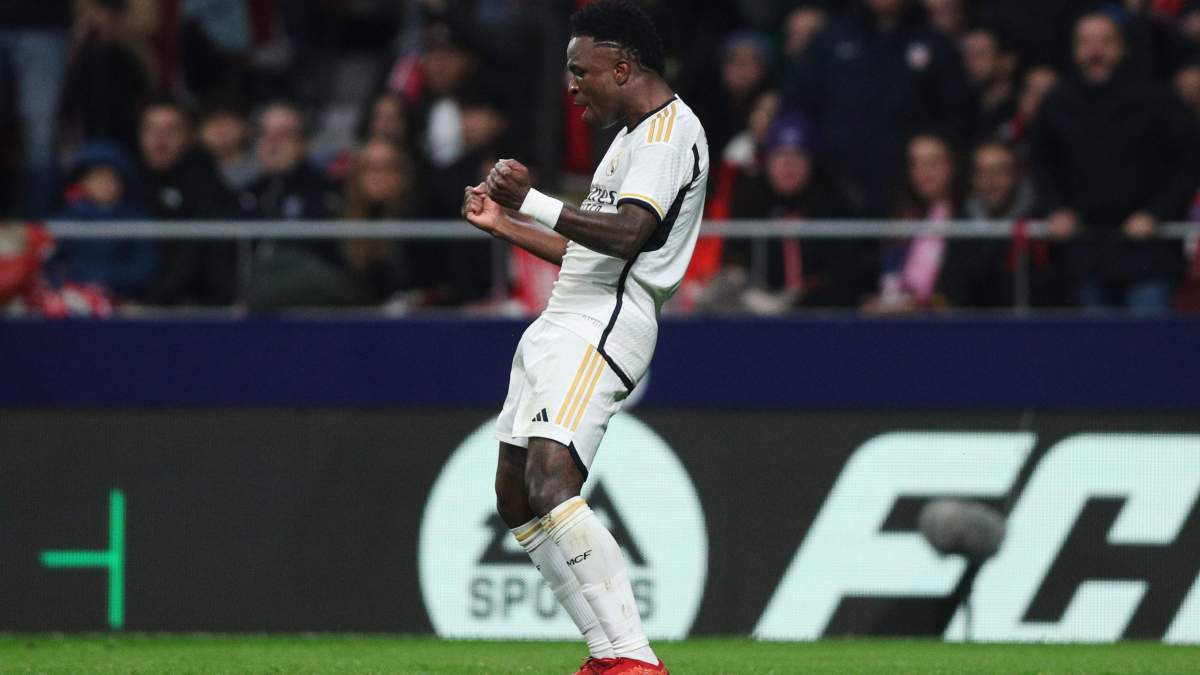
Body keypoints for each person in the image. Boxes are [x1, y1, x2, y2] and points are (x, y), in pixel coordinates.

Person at [461, 2, 707, 672]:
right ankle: (605, 654)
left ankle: (633, 658)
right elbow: (587, 250)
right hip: (565, 316)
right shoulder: (630, 139)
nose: (572, 85)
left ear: (624, 66)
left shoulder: (666, 135)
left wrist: (532, 199)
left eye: (582, 71)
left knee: (551, 477)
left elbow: (630, 235)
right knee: (514, 491)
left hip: (602, 323)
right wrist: (506, 225)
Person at [1030, 11, 1200, 312]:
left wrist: (1157, 213)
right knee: (1098, 353)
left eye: (1105, 41)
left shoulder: (1156, 99)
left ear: (1122, 48)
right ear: (1074, 49)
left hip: (1149, 252)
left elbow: (1188, 164)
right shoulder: (1057, 102)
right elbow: (1041, 164)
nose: (1095, 51)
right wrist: (1055, 209)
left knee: (1146, 350)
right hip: (1087, 252)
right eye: (1086, 42)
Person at [138, 99, 239, 306]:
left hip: (195, 308)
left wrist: (152, 302)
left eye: (171, 130)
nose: (160, 139)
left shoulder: (205, 184)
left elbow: (193, 254)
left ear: (187, 137)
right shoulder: (125, 181)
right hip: (137, 299)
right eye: (152, 129)